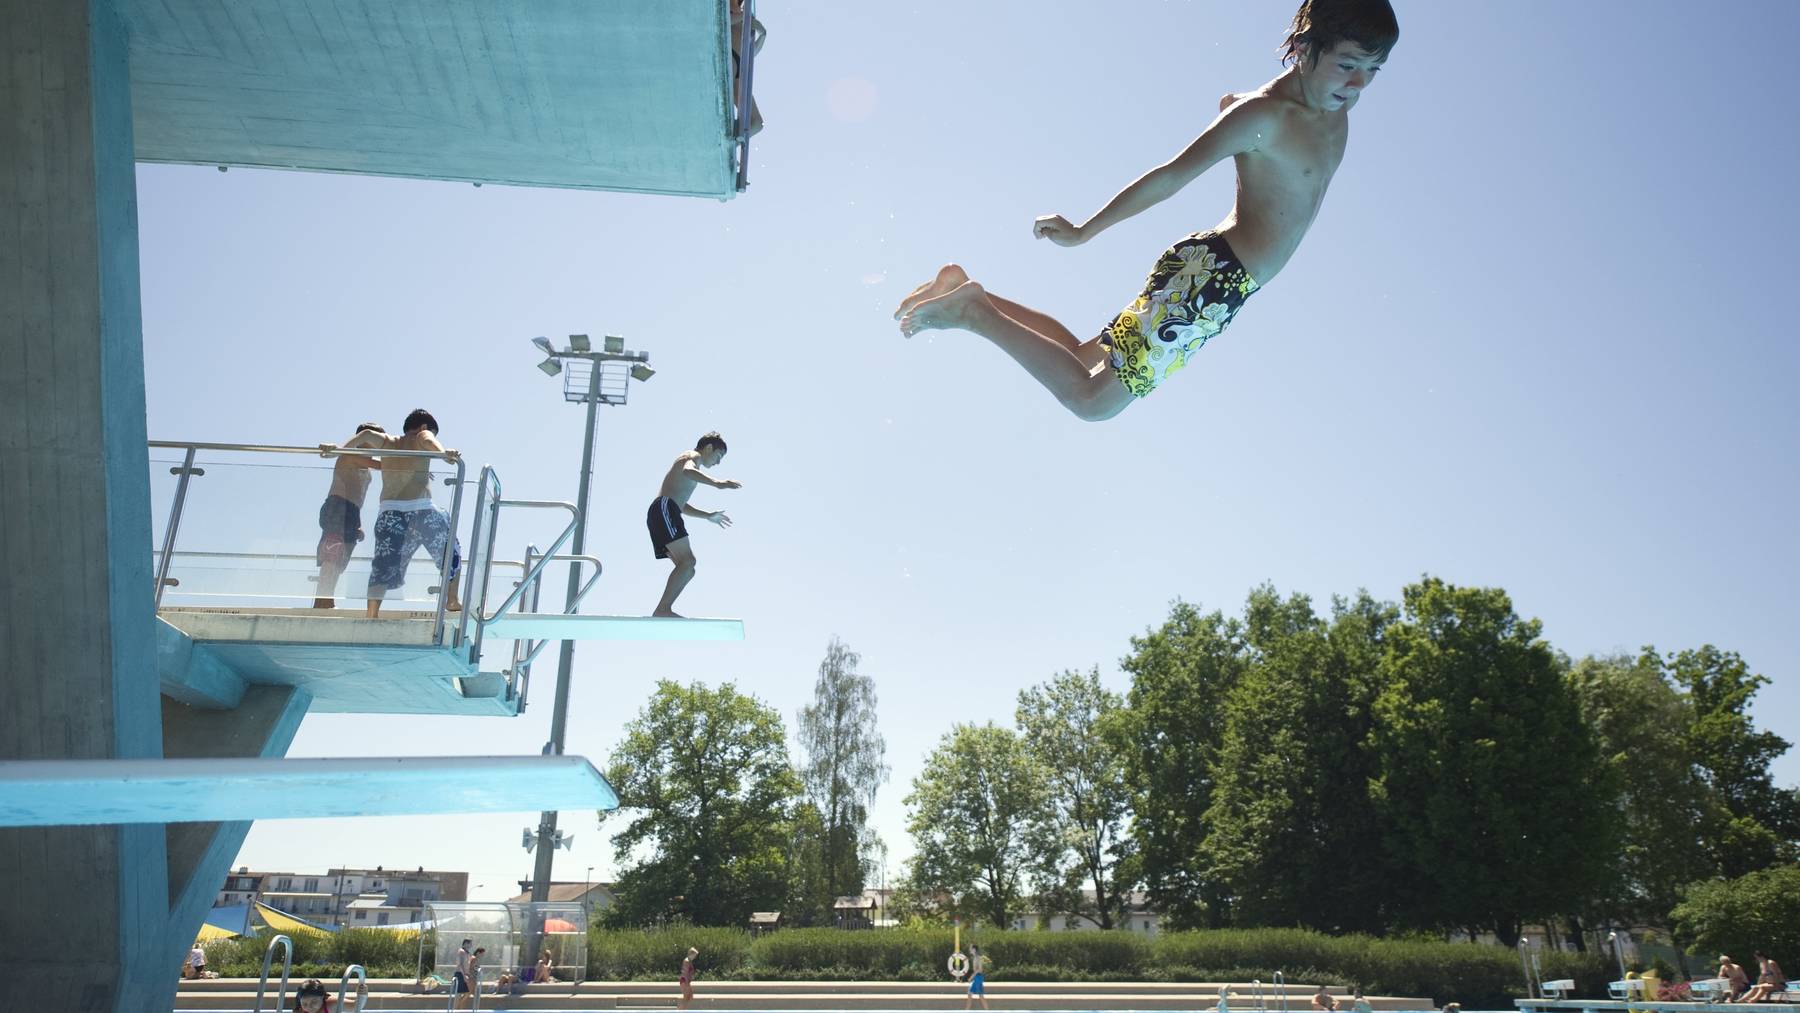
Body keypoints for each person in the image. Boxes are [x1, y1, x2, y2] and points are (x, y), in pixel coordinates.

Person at [895, 0, 1398, 422]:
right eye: (1348, 64)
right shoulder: (1265, 117)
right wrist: (1083, 231)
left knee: (1079, 356)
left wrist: (1236, 103)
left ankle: (965, 289)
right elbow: (1172, 176)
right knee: (1091, 401)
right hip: (1214, 281)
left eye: (1372, 71)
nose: (1358, 85)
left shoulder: (1328, 103)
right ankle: (972, 311)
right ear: (1307, 47)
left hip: (1218, 274)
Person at [336, 409, 463, 618]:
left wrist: (340, 450)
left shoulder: (388, 442)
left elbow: (366, 435)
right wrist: (444, 454)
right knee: (451, 550)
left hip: (391, 514)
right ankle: (452, 599)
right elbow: (428, 440)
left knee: (383, 565)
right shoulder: (421, 437)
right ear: (423, 427)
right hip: (422, 511)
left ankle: (372, 614)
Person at [649, 432, 741, 617]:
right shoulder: (692, 456)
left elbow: (681, 505)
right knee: (688, 562)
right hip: (664, 509)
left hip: (666, 510)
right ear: (708, 448)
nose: (718, 462)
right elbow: (687, 470)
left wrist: (708, 515)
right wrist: (718, 483)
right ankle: (662, 609)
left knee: (688, 569)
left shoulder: (692, 465)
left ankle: (663, 609)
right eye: (719, 456)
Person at [313, 422, 384, 608]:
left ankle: (327, 598)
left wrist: (357, 522)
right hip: (338, 506)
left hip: (352, 512)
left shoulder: (367, 471)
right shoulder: (351, 455)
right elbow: (382, 465)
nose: (379, 444)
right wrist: (413, 465)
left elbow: (359, 496)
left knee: (341, 558)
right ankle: (322, 601)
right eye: (375, 439)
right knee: (332, 553)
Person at [964, 944, 990, 1010]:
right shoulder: (975, 958)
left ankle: (966, 1010)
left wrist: (971, 977)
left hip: (978, 978)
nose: (969, 950)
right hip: (978, 978)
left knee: (970, 993)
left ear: (974, 949)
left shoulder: (978, 958)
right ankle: (987, 1010)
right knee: (980, 996)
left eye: (970, 948)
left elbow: (980, 969)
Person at [451, 938, 475, 1008]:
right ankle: (455, 1010)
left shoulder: (467, 953)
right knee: (458, 994)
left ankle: (460, 1006)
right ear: (465, 944)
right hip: (460, 974)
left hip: (466, 975)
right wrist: (464, 976)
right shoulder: (461, 951)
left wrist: (469, 975)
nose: (471, 945)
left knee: (468, 992)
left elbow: (467, 965)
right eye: (470, 944)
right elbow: (460, 965)